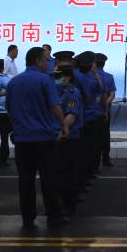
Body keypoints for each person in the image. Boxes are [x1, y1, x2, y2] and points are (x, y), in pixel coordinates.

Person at [8, 46, 69, 228]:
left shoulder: (14, 82)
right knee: (49, 179)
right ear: (37, 61)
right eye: (45, 60)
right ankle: (53, 217)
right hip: (44, 139)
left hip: (22, 140)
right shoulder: (45, 80)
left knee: (25, 181)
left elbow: (10, 109)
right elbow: (54, 105)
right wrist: (64, 124)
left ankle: (28, 218)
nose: (47, 64)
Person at [53, 56, 84, 215]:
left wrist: (61, 132)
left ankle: (69, 205)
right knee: (59, 173)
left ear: (68, 77)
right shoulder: (58, 90)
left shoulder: (72, 93)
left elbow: (71, 116)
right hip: (59, 137)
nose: (56, 79)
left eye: (59, 76)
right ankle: (60, 202)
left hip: (68, 137)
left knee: (68, 173)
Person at [95, 53, 117, 168]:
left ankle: (94, 162)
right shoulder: (109, 77)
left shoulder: (91, 76)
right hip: (105, 110)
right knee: (105, 135)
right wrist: (105, 105)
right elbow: (112, 95)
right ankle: (106, 159)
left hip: (92, 111)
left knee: (93, 138)